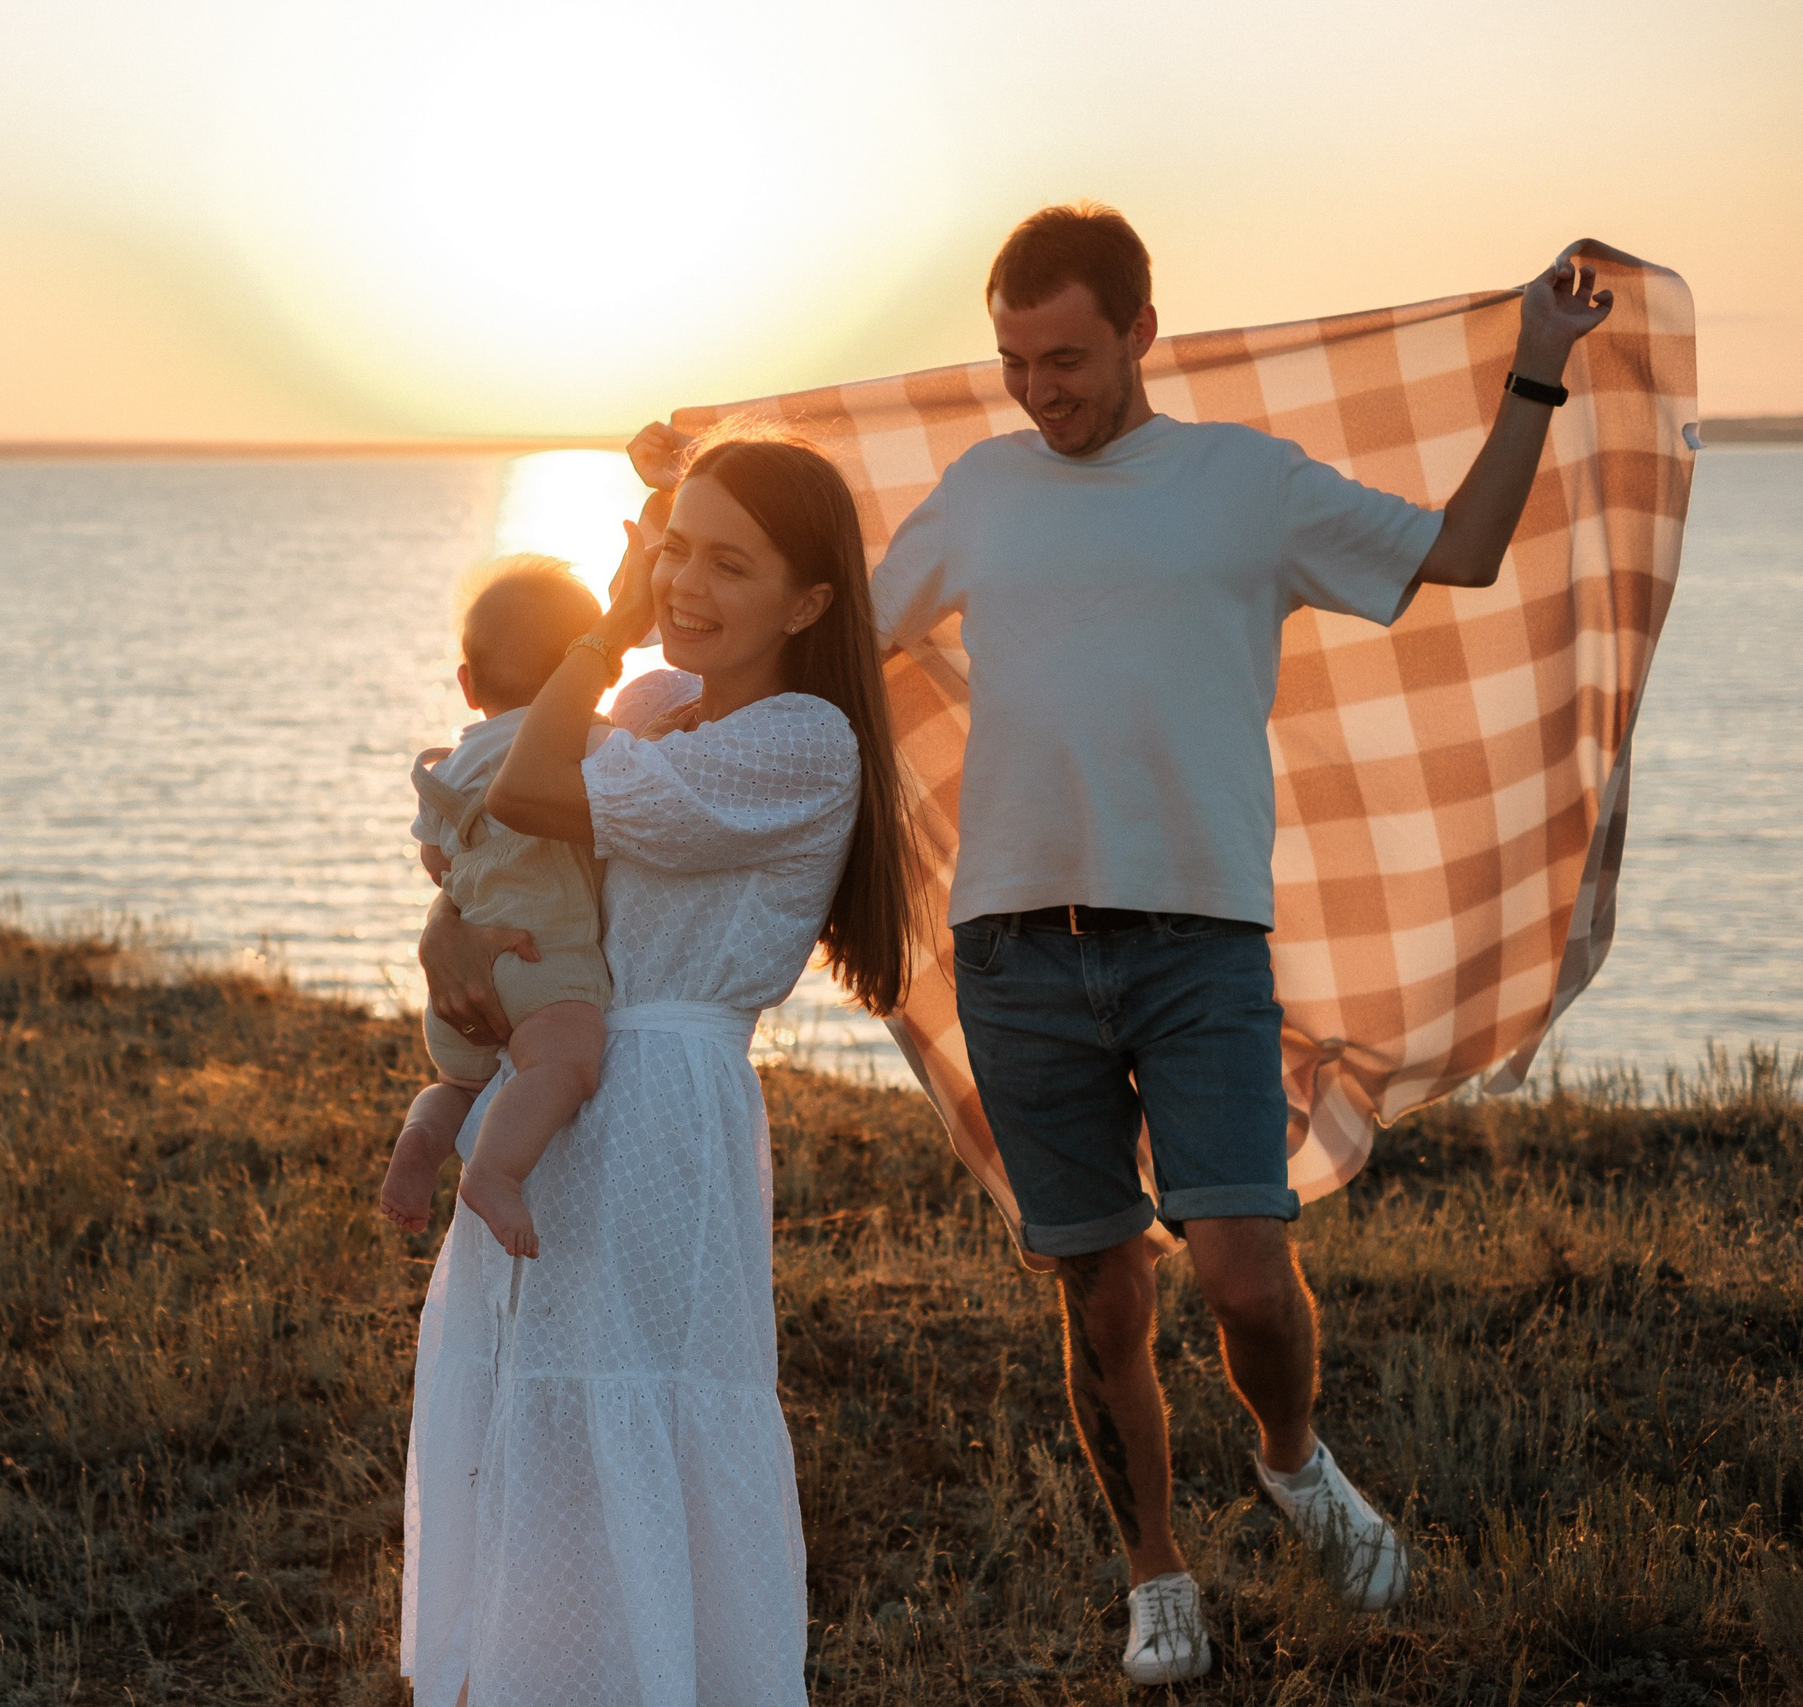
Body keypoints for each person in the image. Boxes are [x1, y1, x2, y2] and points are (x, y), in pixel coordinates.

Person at [628, 204, 1613, 1686]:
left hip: (1199, 943)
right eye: (1018, 359)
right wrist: (690, 507)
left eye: (1069, 357)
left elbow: (1463, 552)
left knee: (1242, 1272)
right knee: (1099, 1290)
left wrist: (1537, 365)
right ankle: (1155, 1567)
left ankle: (1293, 1458)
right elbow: (827, 640)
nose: (1042, 388)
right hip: (1016, 952)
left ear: (1143, 331)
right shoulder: (979, 492)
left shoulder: (1247, 486)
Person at [401, 433, 920, 1705]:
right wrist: (445, 927)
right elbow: (501, 855)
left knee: (634, 1406)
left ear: (806, 603)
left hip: (658, 1109)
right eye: (674, 548)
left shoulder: (805, 744)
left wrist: (606, 628)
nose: (686, 583)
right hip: (553, 1075)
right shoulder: (641, 707)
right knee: (535, 1405)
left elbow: (525, 788)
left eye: (727, 564)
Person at [379, 557, 615, 1258]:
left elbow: (436, 863)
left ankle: (425, 1136)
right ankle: (493, 1171)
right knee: (567, 1064)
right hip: (540, 969)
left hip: (458, 990)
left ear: (468, 683)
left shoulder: (450, 766)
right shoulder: (581, 739)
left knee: (458, 1081)